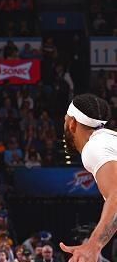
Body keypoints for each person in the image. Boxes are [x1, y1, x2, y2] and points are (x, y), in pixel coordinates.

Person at [60, 93, 117, 262]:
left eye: (65, 120)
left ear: (72, 124)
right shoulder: (108, 141)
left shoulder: (94, 147)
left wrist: (93, 246)